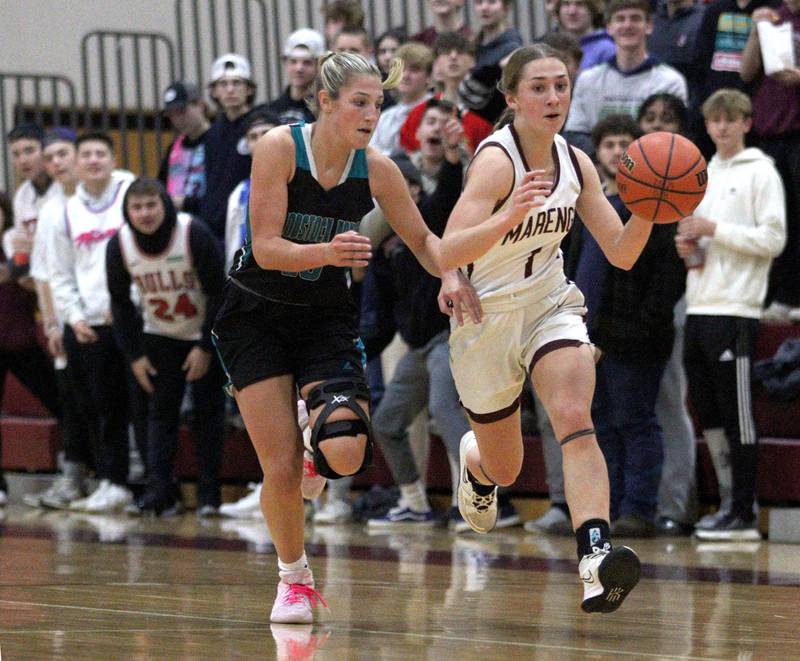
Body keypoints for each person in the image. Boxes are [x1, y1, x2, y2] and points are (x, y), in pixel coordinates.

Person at [212, 52, 479, 623]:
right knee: (278, 467)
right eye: (359, 102)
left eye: (378, 105)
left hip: (324, 317)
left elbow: (427, 241)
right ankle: (294, 579)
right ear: (325, 101)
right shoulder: (280, 148)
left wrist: (452, 275)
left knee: (346, 449)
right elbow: (264, 247)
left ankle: (318, 451)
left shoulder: (377, 168)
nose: (370, 114)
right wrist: (327, 253)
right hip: (255, 313)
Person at [440, 44, 663, 613]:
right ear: (512, 98)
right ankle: (476, 463)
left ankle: (594, 554)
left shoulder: (577, 161)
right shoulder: (497, 161)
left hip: (548, 301)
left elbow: (620, 252)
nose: (554, 97)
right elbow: (448, 248)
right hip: (485, 316)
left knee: (573, 415)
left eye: (561, 85)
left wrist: (651, 208)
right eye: (539, 87)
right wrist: (508, 215)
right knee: (508, 466)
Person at [676, 88, 786, 540]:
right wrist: (689, 249)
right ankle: (726, 502)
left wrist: (713, 230)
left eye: (730, 119)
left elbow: (773, 239)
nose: (721, 127)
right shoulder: (702, 173)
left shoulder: (762, 172)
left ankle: (744, 510)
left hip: (737, 308)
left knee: (737, 414)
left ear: (746, 123)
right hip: (700, 304)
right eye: (714, 119)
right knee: (710, 413)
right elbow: (702, 243)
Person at [106, 178, 227, 516]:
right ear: (127, 212)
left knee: (208, 413)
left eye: (151, 205)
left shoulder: (193, 233)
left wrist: (205, 346)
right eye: (137, 207)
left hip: (204, 331)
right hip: (158, 335)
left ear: (166, 205)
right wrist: (134, 355)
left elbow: (219, 294)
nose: (145, 213)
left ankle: (209, 495)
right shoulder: (120, 244)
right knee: (160, 412)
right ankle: (160, 492)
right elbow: (120, 303)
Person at [48, 131, 136, 513]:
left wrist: (131, 305)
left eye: (101, 152)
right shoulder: (64, 211)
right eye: (87, 154)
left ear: (113, 158)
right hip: (89, 324)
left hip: (133, 318)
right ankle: (111, 480)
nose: (94, 160)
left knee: (142, 406)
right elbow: (60, 273)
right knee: (102, 407)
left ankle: (146, 485)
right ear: (77, 163)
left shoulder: (131, 193)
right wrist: (74, 316)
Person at [24, 129, 96, 510]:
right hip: (69, 319)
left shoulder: (106, 199)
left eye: (62, 154)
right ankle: (76, 476)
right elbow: (43, 271)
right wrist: (51, 322)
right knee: (74, 398)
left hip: (104, 313)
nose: (57, 163)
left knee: (108, 399)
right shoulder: (50, 209)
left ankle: (113, 476)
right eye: (49, 157)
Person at [564, 0, 688, 156]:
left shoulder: (670, 81)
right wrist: (607, 160)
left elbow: (672, 138)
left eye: (635, 18)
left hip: (651, 170)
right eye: (620, 19)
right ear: (608, 27)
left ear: (649, 25)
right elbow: (575, 135)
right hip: (600, 173)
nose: (627, 25)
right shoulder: (588, 79)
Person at [740, 1, 800, 320]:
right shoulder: (771, 14)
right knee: (777, 217)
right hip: (770, 132)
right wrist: (754, 33)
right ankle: (781, 293)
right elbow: (746, 72)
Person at [0, 192, 60, 506]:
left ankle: (86, 467)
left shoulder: (17, 244)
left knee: (62, 401)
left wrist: (15, 273)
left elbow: (32, 282)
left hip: (21, 343)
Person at [399, 32, 493, 156]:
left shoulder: (486, 118)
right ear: (436, 63)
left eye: (460, 51)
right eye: (446, 52)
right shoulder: (418, 114)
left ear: (473, 61)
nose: (453, 56)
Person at [201, 54, 256, 245]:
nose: (230, 89)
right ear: (214, 91)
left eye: (237, 83)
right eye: (223, 84)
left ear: (249, 89)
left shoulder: (259, 127)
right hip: (214, 226)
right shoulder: (211, 133)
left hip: (247, 220)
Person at [458, 0, 524, 125]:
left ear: (506, 7)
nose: (484, 8)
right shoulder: (473, 45)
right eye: (479, 2)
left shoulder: (512, 48)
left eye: (492, 2)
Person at [370, 42, 435, 156]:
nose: (405, 75)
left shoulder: (436, 111)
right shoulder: (385, 117)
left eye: (414, 70)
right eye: (401, 69)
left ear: (429, 77)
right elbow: (371, 154)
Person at [157, 81, 210, 216]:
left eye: (181, 111)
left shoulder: (218, 142)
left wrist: (186, 203)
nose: (177, 119)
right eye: (171, 114)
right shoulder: (173, 149)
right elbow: (160, 187)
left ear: (200, 105)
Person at [266, 30, 325, 125]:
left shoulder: (326, 109)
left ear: (320, 65)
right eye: (293, 61)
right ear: (285, 63)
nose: (299, 68)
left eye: (307, 62)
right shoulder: (270, 110)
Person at [554, 0, 616, 71]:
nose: (572, 11)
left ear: (592, 9)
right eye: (566, 4)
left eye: (580, 4)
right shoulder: (550, 45)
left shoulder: (607, 50)